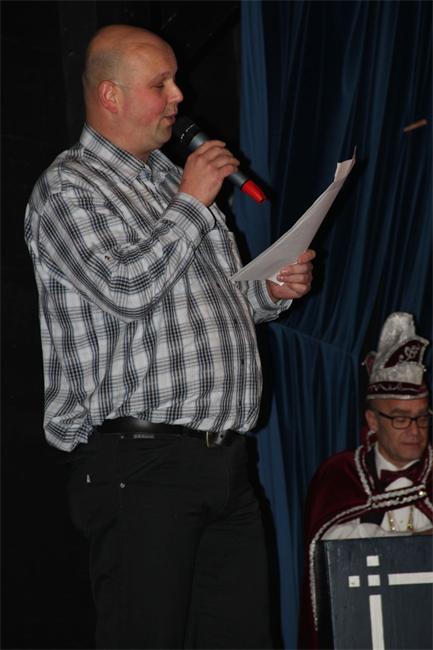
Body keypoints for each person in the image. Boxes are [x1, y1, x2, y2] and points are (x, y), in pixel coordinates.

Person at [24, 24, 315, 650]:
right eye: (161, 84)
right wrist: (192, 201)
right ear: (110, 95)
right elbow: (127, 288)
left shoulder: (168, 180)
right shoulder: (68, 189)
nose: (180, 96)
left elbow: (221, 299)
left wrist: (270, 290)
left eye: (175, 81)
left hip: (224, 462)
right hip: (140, 465)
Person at [298, 311, 433, 649]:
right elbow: (333, 554)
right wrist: (416, 543)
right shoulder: (339, 475)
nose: (415, 430)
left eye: (422, 418)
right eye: (400, 419)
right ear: (373, 421)